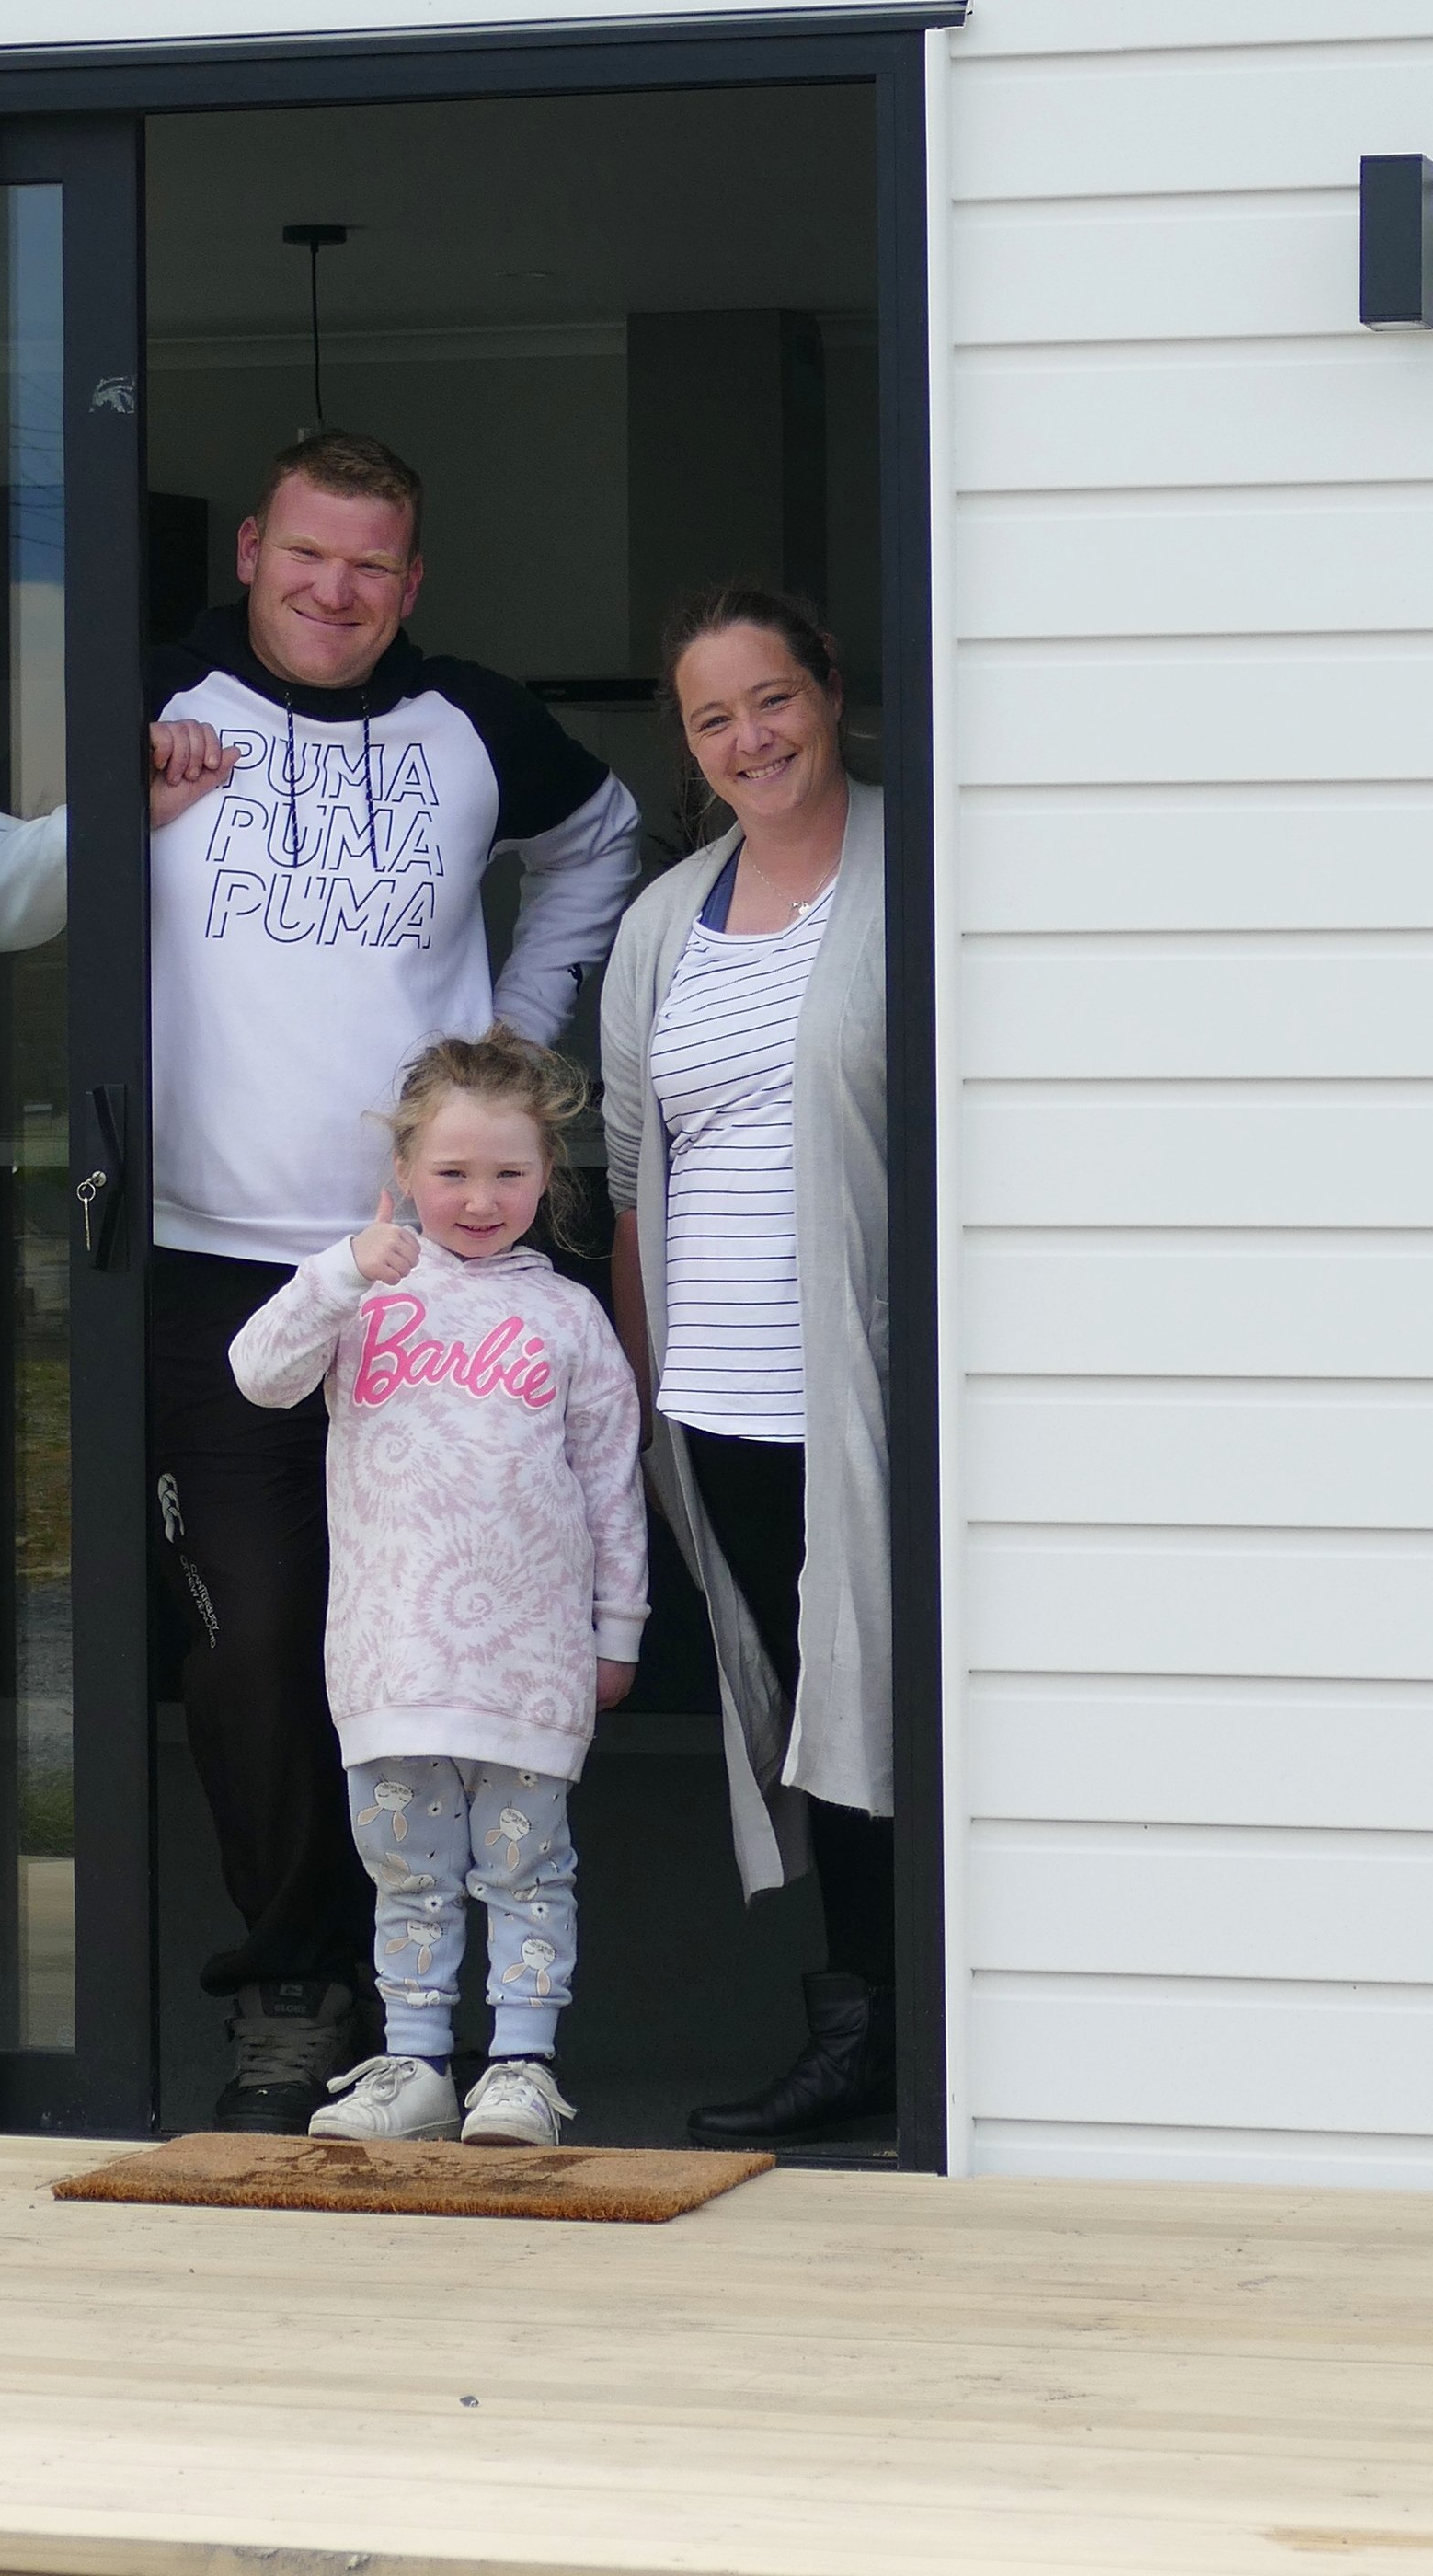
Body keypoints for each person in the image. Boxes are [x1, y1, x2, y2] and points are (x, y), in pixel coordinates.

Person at [0, 430, 641, 2133]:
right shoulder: (151, 694)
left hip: (439, 1281)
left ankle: (476, 2014)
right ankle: (299, 1986)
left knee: (452, 1632)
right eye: (306, 559)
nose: (335, 594)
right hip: (215, 1266)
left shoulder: (477, 723)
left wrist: (523, 1038)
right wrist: (124, 813)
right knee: (259, 1639)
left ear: (410, 583)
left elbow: (607, 835)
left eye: (372, 569)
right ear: (258, 550)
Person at [225, 1028, 648, 2147]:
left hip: (527, 1661)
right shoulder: (364, 1293)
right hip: (393, 1657)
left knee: (525, 1867)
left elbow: (612, 1482)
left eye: (509, 1172)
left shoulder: (568, 1316)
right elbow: (258, 1375)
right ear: (404, 1172)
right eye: (452, 1172)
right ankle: (413, 2062)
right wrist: (341, 1269)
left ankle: (519, 2065)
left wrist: (619, 1629)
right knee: (407, 1874)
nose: (479, 1197)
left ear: (548, 1177)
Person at [599, 583, 893, 2152]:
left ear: (828, 688)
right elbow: (636, 1180)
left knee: (898, 1699)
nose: (750, 737)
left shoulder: (914, 870)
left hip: (876, 1394)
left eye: (770, 699)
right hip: (717, 1403)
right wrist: (648, 1394)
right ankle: (861, 2022)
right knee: (807, 1716)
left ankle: (927, 2021)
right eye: (715, 718)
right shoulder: (664, 926)